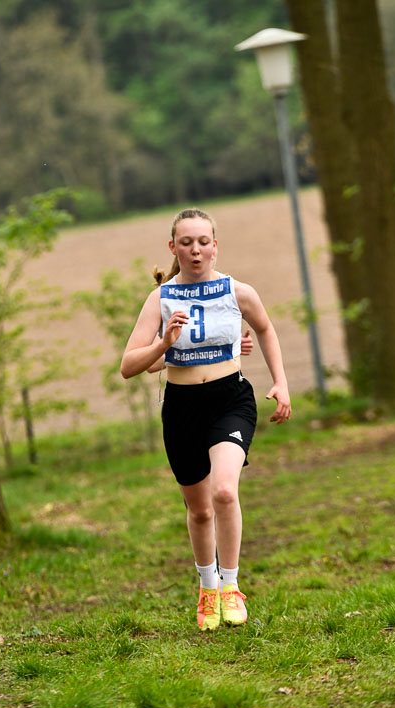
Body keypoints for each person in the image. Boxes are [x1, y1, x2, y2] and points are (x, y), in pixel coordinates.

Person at [121, 208, 291, 631]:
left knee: (225, 492)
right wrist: (164, 343)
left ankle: (231, 587)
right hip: (182, 407)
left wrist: (281, 383)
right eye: (186, 243)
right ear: (173, 247)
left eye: (203, 242)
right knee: (199, 512)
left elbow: (265, 329)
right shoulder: (160, 299)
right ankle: (208, 589)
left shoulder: (238, 291)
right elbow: (129, 365)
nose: (195, 250)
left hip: (230, 400)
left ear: (215, 246)